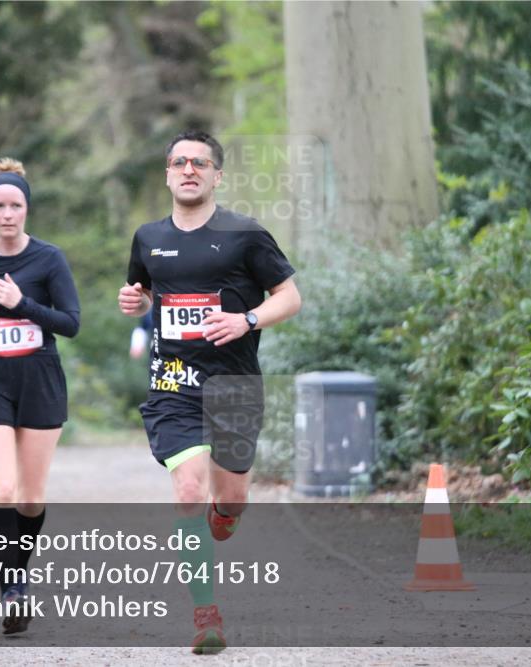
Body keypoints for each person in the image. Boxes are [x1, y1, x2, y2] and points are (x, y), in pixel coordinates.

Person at [118, 130, 301, 653]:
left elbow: (289, 296)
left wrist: (248, 319)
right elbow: (145, 291)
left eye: (200, 162)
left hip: (234, 386)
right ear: (168, 174)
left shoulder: (245, 234)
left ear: (217, 175)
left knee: (231, 500)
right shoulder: (147, 237)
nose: (189, 169)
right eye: (179, 162)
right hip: (173, 383)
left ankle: (226, 514)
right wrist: (135, 303)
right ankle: (205, 615)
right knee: (189, 491)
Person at [0, 157, 80, 635]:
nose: (7, 214)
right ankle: (11, 590)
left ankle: (19, 577)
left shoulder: (48, 259)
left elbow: (71, 322)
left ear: (27, 210)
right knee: (2, 488)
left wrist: (21, 304)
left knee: (30, 497)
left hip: (39, 379)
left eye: (16, 205)